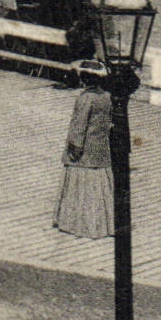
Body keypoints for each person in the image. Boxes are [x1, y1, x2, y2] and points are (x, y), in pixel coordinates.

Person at [54, 62, 114, 238]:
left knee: (79, 187)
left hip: (83, 153)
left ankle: (78, 223)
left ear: (85, 78)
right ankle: (103, 224)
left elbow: (79, 126)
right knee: (100, 189)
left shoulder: (85, 99)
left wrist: (75, 147)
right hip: (100, 149)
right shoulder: (106, 97)